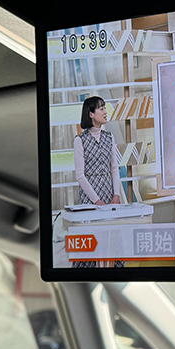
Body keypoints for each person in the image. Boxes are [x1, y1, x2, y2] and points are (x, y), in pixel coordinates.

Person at [73, 96, 124, 268]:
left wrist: (116, 195)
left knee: (111, 238)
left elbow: (114, 168)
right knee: (91, 240)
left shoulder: (109, 137)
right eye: (101, 108)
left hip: (109, 196)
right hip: (90, 198)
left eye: (104, 108)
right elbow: (80, 176)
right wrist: (96, 201)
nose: (105, 111)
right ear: (91, 114)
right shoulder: (80, 140)